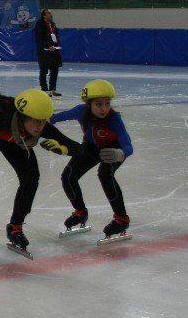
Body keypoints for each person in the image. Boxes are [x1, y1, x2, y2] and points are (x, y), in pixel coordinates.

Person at [0, 28, 83, 253]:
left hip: (12, 139)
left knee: (31, 177)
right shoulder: (1, 113)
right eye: (34, 122)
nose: (39, 127)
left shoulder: (39, 125)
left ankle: (15, 226)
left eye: (43, 122)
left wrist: (65, 150)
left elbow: (76, 147)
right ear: (22, 117)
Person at [50, 79, 133, 238]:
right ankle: (80, 212)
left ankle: (122, 218)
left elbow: (128, 146)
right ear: (89, 104)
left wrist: (120, 153)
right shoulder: (80, 111)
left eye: (107, 103)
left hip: (112, 150)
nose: (104, 109)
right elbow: (55, 118)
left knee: (105, 174)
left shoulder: (114, 119)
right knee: (68, 176)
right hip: (91, 147)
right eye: (99, 104)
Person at [34, 8, 62, 96]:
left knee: (54, 71)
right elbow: (39, 40)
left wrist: (55, 45)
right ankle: (44, 90)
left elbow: (55, 37)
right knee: (44, 71)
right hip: (45, 53)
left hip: (54, 52)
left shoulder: (53, 24)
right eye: (49, 13)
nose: (51, 15)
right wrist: (48, 46)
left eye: (51, 13)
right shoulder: (39, 25)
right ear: (44, 16)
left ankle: (52, 90)